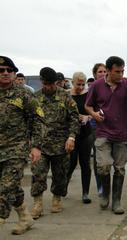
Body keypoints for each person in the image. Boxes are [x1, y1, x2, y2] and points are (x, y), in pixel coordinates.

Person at [85, 56, 127, 214]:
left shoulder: (126, 85)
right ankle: (104, 194)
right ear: (108, 71)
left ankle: (116, 201)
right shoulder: (96, 85)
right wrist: (94, 114)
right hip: (103, 132)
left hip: (122, 133)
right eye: (117, 71)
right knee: (103, 166)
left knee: (120, 169)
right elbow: (87, 106)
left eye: (122, 71)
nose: (121, 74)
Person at [0, 56, 43, 235]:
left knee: (5, 187)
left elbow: (37, 119)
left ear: (14, 72)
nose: (5, 73)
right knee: (12, 187)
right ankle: (25, 217)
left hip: (16, 149)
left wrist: (36, 146)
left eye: (9, 70)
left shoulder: (24, 94)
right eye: (1, 70)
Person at [30, 67, 79, 219]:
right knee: (38, 174)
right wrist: (31, 143)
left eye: (52, 84)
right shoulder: (35, 97)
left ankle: (57, 199)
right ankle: (37, 204)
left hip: (61, 144)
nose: (49, 87)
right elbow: (29, 120)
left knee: (60, 175)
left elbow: (74, 118)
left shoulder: (65, 96)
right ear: (42, 82)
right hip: (40, 145)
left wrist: (71, 137)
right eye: (46, 84)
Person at [67, 72, 93, 204]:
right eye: (78, 84)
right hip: (71, 135)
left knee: (85, 163)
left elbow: (95, 111)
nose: (81, 87)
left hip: (85, 133)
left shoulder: (88, 95)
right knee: (71, 162)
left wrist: (88, 117)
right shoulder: (66, 95)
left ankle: (85, 193)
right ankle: (64, 183)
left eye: (83, 84)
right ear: (72, 82)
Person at [90, 63, 107, 197]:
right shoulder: (93, 88)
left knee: (109, 159)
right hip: (96, 126)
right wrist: (94, 114)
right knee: (99, 158)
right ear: (95, 74)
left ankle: (107, 184)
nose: (102, 73)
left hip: (111, 126)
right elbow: (87, 106)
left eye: (104, 71)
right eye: (100, 71)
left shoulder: (112, 87)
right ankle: (100, 186)